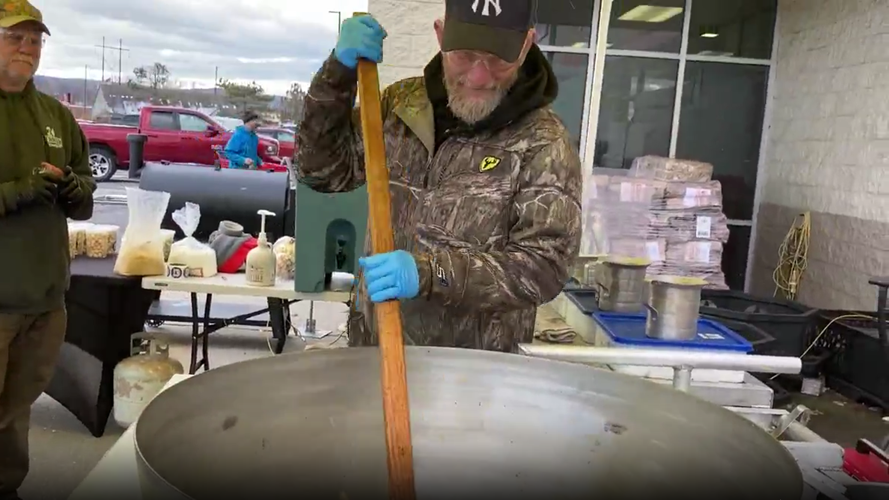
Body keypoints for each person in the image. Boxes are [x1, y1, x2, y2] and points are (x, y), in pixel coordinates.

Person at [297, 0, 582, 353]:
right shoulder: (398, 107)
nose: (478, 76)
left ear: (525, 45)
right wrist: (336, 77)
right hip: (375, 356)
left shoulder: (543, 143)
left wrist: (432, 274)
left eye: (497, 59)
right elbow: (321, 170)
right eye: (464, 54)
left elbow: (545, 266)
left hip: (474, 380)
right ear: (441, 34)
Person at [0, 1, 96, 498]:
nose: (27, 47)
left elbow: (83, 190)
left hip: (44, 299)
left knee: (14, 414)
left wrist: (75, 190)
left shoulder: (54, 114)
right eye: (15, 36)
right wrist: (16, 191)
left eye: (35, 39)